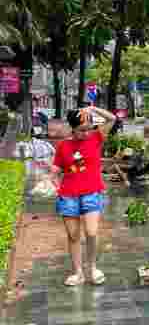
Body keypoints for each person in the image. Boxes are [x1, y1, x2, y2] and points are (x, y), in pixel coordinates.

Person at [49, 106, 117, 286]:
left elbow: (112, 119)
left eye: (88, 128)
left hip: (91, 193)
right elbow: (55, 171)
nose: (86, 133)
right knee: (73, 236)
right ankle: (78, 272)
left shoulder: (96, 138)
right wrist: (55, 184)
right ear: (73, 128)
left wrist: (93, 108)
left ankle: (93, 268)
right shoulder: (63, 146)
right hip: (68, 196)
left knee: (92, 232)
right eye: (82, 130)